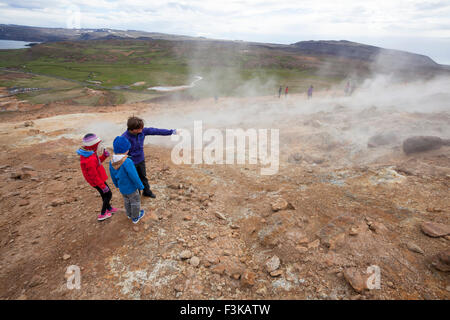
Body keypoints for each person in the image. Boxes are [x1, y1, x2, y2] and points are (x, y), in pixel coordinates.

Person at [122, 116, 176, 198]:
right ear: (133, 129)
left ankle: (147, 192)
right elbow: (121, 152)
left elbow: (156, 131)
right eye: (140, 128)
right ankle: (136, 196)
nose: (142, 129)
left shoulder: (142, 131)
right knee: (133, 179)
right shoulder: (124, 138)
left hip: (141, 159)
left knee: (143, 176)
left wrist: (171, 132)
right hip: (130, 162)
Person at [76, 133, 117, 221]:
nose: (99, 146)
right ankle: (103, 214)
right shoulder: (89, 159)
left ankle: (109, 208)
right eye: (97, 144)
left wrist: (104, 156)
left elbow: (97, 163)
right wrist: (102, 186)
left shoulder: (89, 152)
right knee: (108, 194)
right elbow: (93, 175)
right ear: (93, 145)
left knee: (104, 194)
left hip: (98, 179)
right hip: (97, 181)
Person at [109, 136, 145, 224]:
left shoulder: (112, 161)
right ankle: (135, 217)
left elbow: (112, 175)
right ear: (126, 150)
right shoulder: (127, 161)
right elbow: (134, 176)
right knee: (135, 201)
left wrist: (116, 184)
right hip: (131, 188)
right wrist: (140, 185)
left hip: (122, 187)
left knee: (126, 201)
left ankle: (129, 214)